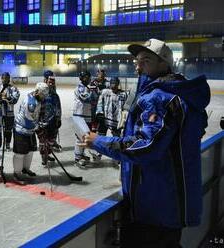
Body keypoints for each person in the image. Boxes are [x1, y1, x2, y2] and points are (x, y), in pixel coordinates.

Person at [83, 38, 210, 247]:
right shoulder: (181, 93)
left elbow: (145, 147)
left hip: (155, 206)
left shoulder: (160, 97)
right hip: (167, 201)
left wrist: (98, 141)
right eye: (137, 60)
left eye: (146, 60)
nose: (138, 65)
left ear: (164, 64)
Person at [13, 82, 49, 183]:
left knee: (30, 151)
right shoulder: (31, 103)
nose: (44, 97)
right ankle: (17, 174)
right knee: (20, 153)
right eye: (43, 94)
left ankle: (25, 169)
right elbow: (29, 120)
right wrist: (39, 128)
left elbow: (37, 115)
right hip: (22, 129)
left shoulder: (37, 97)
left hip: (30, 130)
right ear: (37, 92)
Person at [93, 77, 127, 161]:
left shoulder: (124, 94)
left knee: (116, 139)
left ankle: (117, 156)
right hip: (105, 119)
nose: (113, 85)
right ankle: (98, 153)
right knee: (100, 136)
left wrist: (124, 119)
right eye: (112, 83)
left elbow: (126, 108)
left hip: (116, 121)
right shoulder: (105, 92)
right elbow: (100, 102)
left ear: (118, 84)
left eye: (115, 83)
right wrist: (99, 113)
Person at [73, 71, 97, 167]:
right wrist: (92, 91)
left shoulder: (87, 87)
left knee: (85, 136)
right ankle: (77, 157)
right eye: (86, 77)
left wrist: (94, 91)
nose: (89, 79)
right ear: (82, 78)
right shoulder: (79, 88)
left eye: (89, 77)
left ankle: (81, 154)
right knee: (81, 136)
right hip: (79, 115)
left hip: (87, 115)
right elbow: (85, 98)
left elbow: (95, 99)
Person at [37, 70, 62, 167]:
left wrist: (58, 119)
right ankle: (44, 156)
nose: (52, 83)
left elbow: (58, 107)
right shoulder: (41, 92)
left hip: (52, 122)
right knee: (43, 141)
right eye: (50, 81)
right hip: (42, 122)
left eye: (53, 81)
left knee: (51, 140)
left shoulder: (54, 94)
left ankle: (47, 153)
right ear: (45, 80)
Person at [0, 72, 20, 151]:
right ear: (1, 79)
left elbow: (15, 99)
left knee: (8, 129)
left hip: (9, 113)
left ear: (9, 79)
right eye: (4, 78)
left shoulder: (13, 88)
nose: (5, 80)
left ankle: (8, 143)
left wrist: (7, 99)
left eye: (7, 78)